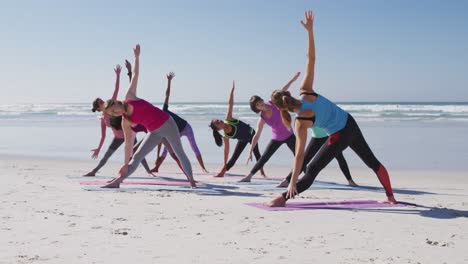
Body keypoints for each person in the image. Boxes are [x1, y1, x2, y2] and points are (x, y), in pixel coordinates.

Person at [267, 10, 395, 207]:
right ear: (289, 95)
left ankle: (282, 198)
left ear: (281, 108)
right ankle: (390, 197)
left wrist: (292, 181)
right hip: (350, 122)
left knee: (312, 170)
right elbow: (311, 59)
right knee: (373, 163)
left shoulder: (300, 121)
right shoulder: (306, 90)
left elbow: (300, 156)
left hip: (339, 134)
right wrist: (310, 31)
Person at [102, 44, 196, 188]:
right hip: (154, 132)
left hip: (167, 124)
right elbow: (128, 144)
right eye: (112, 114)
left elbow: (135, 75)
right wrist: (125, 164)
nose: (116, 113)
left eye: (114, 110)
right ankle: (118, 182)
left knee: (179, 151)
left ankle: (191, 180)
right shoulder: (125, 122)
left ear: (116, 103)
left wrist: (137, 57)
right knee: (137, 155)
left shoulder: (130, 96)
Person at [85, 64, 151, 176]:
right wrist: (98, 148)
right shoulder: (103, 120)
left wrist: (118, 75)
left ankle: (149, 172)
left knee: (137, 153)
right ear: (97, 108)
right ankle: (94, 171)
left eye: (102, 100)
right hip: (117, 138)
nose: (103, 102)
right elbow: (103, 136)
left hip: (128, 134)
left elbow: (116, 90)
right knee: (107, 156)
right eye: (100, 102)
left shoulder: (112, 107)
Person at [238, 72, 301, 182]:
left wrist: (292, 80)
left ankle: (305, 175)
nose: (260, 104)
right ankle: (249, 176)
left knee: (299, 156)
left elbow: (282, 90)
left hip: (289, 135)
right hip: (276, 138)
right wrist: (250, 150)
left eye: (260, 101)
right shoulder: (262, 118)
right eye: (257, 104)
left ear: (262, 100)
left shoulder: (273, 102)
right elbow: (257, 135)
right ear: (256, 108)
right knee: (264, 158)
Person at [209, 81, 265, 178]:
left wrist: (232, 91)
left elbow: (230, 104)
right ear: (218, 129)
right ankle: (222, 173)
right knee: (234, 158)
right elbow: (226, 152)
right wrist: (224, 164)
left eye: (218, 120)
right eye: (217, 123)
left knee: (257, 154)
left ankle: (262, 173)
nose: (220, 121)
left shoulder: (228, 119)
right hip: (242, 139)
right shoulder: (226, 137)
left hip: (252, 135)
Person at [277, 126, 358, 187]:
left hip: (329, 135)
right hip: (317, 136)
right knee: (305, 158)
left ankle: (350, 180)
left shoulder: (319, 106)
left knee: (340, 157)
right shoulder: (304, 109)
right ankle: (288, 180)